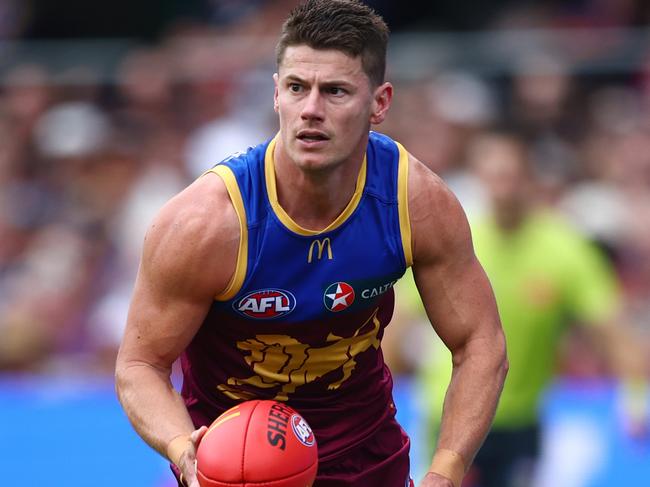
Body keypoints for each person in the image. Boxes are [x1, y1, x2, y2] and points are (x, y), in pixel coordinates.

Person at [114, 2, 508, 486]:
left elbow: (480, 342)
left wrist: (445, 472)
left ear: (380, 103)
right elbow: (139, 364)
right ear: (276, 94)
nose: (311, 110)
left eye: (336, 91)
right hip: (232, 467)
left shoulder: (414, 203)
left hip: (367, 460)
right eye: (297, 88)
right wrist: (185, 450)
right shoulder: (206, 224)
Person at [413, 129, 622, 487]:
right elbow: (397, 320)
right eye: (494, 176)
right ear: (478, 178)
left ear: (529, 178)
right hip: (453, 411)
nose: (503, 187)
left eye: (510, 175)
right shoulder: (456, 240)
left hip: (520, 417)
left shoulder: (564, 248)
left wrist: (634, 392)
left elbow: (610, 327)